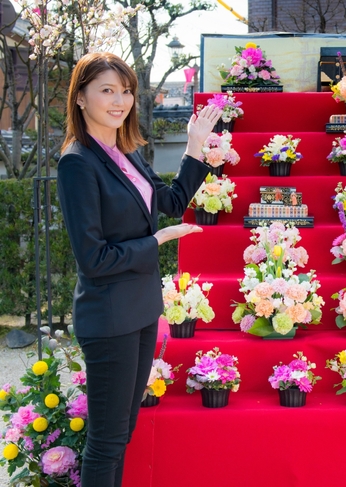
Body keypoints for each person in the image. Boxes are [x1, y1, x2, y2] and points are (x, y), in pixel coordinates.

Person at [56, 52, 222, 487]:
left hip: (142, 310)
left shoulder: (123, 151)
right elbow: (93, 259)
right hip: (109, 317)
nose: (120, 100)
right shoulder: (77, 162)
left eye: (125, 90)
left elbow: (169, 201)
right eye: (106, 90)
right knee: (106, 442)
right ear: (80, 98)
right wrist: (156, 242)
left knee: (122, 434)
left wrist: (194, 144)